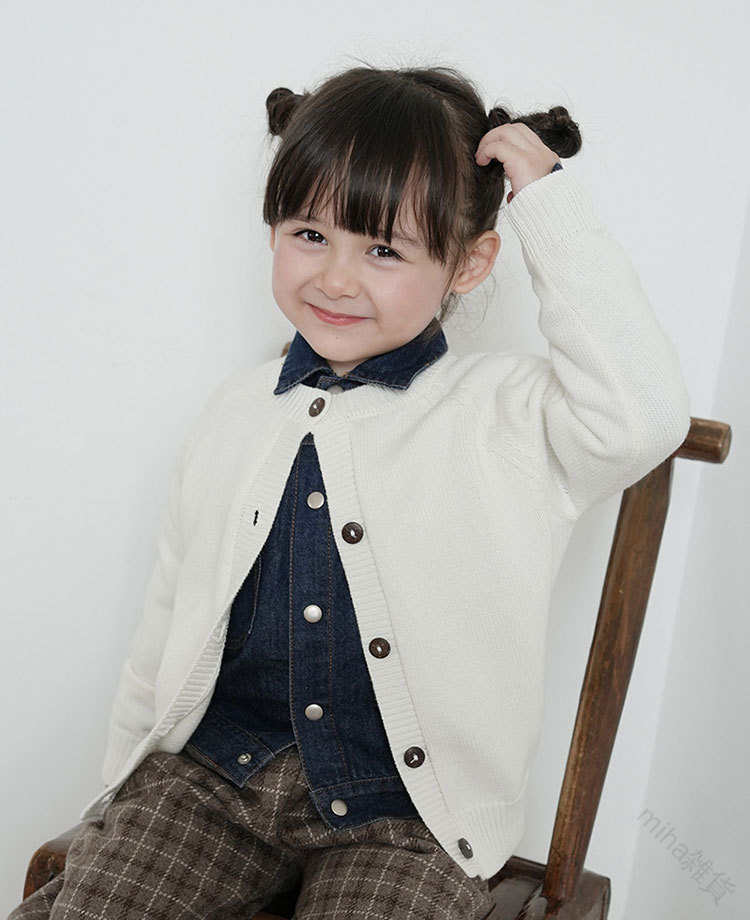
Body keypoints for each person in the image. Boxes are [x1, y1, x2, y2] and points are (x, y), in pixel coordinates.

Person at [12, 64, 690, 920]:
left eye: (383, 250)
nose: (335, 279)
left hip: (404, 817)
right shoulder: (235, 412)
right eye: (309, 234)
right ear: (271, 230)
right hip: (215, 780)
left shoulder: (511, 416)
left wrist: (549, 203)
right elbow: (167, 623)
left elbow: (645, 415)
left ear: (470, 263)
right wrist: (120, 791)